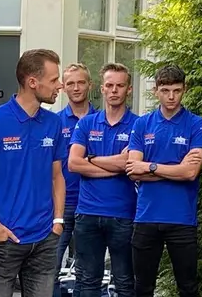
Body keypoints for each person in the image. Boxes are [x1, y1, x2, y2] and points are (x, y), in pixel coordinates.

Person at [0, 48, 66, 297]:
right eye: (54, 79)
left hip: (44, 239)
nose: (60, 85)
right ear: (32, 82)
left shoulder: (54, 123)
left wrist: (58, 221)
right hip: (5, 240)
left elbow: (57, 176)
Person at [125, 65, 202, 297]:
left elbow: (190, 173)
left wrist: (150, 166)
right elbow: (133, 171)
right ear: (155, 91)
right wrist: (176, 168)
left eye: (176, 90)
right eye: (165, 90)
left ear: (184, 89)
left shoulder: (196, 124)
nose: (171, 96)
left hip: (182, 218)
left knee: (188, 288)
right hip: (146, 216)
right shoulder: (142, 124)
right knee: (142, 288)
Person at [68, 63, 138, 297]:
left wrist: (92, 158)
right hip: (87, 213)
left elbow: (131, 164)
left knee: (125, 283)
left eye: (120, 85)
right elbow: (73, 163)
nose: (114, 90)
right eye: (109, 85)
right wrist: (116, 166)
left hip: (124, 214)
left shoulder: (139, 124)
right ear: (101, 88)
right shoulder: (86, 123)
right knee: (87, 282)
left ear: (129, 89)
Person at [54, 63, 96, 287]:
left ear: (90, 85)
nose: (76, 88)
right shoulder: (55, 122)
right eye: (70, 83)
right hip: (61, 205)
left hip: (92, 205)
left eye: (81, 82)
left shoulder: (102, 120)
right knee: (50, 269)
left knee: (86, 272)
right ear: (63, 87)